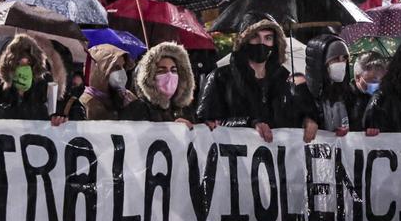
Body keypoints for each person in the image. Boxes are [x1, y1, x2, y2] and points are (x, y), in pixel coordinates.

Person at [196, 14, 317, 143]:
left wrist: (307, 120)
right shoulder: (220, 77)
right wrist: (249, 123)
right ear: (244, 40)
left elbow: (292, 117)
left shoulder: (284, 79)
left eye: (268, 38)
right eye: (255, 37)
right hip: (234, 158)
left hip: (275, 158)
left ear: (275, 43)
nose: (261, 43)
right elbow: (207, 125)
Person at [0, 34, 79, 124]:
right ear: (8, 69)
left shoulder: (40, 110)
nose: (24, 69)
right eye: (18, 63)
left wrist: (56, 129)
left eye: (29, 63)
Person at [121, 42, 195, 126]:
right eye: (161, 71)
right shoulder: (137, 109)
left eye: (174, 70)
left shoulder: (185, 109)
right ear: (150, 77)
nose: (169, 75)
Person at [303, 34, 352, 133]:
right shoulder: (303, 96)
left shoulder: (350, 93)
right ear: (320, 63)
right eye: (335, 59)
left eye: (344, 58)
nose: (341, 63)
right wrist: (306, 122)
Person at [79, 45, 136, 121]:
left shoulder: (127, 96)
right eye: (116, 67)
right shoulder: (86, 102)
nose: (122, 72)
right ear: (101, 70)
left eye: (123, 66)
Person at [346, 53, 386, 134]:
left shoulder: (383, 96)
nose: (377, 84)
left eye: (381, 81)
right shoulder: (345, 96)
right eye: (373, 81)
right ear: (357, 77)